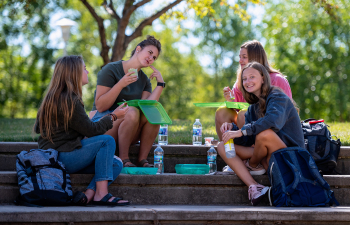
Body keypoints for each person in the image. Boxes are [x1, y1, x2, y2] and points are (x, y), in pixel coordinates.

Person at [35, 55, 130, 206]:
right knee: (107, 141)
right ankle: (102, 194)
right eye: (84, 69)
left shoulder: (56, 97)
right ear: (74, 73)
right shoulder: (69, 100)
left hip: (60, 155)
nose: (87, 72)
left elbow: (81, 128)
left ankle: (89, 195)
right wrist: (113, 116)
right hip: (60, 157)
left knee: (115, 164)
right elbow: (92, 131)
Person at [217, 62, 304, 206]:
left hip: (290, 154)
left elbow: (272, 122)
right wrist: (231, 128)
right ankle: (255, 186)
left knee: (264, 134)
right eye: (244, 79)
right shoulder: (253, 107)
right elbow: (248, 137)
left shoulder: (277, 96)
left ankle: (253, 164)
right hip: (268, 154)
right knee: (222, 145)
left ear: (263, 78)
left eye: (252, 77)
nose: (247, 81)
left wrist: (240, 131)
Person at [215, 40, 293, 173]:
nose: (240, 60)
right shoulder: (242, 81)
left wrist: (239, 131)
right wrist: (231, 102)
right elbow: (242, 107)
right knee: (222, 113)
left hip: (274, 133)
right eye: (239, 57)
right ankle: (239, 160)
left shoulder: (277, 80)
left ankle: (253, 160)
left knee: (243, 115)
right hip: (250, 128)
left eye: (244, 57)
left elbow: (278, 116)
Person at [89, 35, 164, 168]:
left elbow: (148, 108)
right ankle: (124, 159)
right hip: (103, 126)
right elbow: (100, 106)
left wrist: (160, 84)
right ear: (138, 49)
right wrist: (121, 84)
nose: (151, 58)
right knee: (131, 110)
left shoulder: (144, 80)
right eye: (150, 53)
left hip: (129, 129)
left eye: (154, 58)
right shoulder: (111, 69)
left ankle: (142, 160)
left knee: (153, 115)